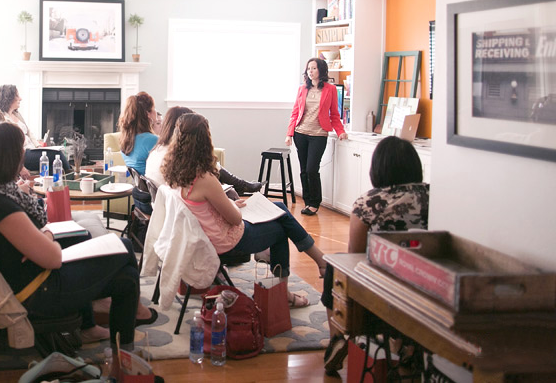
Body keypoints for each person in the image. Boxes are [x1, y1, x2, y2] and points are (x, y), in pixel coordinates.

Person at [0, 121, 154, 347]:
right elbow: (53, 258)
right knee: (124, 248)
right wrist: (47, 235)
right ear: (6, 157)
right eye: (20, 149)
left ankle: (118, 348)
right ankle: (125, 347)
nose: (24, 154)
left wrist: (43, 236)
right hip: (39, 292)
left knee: (127, 277)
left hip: (36, 277)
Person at [162, 113, 327, 306]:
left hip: (202, 238)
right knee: (281, 228)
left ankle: (314, 262)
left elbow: (205, 208)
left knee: (279, 207)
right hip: (225, 242)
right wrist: (232, 204)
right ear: (204, 142)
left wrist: (228, 202)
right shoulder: (205, 179)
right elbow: (235, 220)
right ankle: (287, 288)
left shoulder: (173, 174)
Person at [320, 136, 429, 374]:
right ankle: (406, 346)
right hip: (426, 287)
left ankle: (337, 337)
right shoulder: (432, 197)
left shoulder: (369, 203)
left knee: (335, 265)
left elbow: (354, 256)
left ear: (378, 168)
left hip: (382, 292)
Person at [147, 106, 261, 194]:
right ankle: (241, 185)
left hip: (162, 202)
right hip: (176, 204)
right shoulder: (177, 157)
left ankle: (240, 185)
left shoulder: (157, 151)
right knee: (230, 192)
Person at [285, 57, 348, 216]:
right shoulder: (302, 89)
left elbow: (334, 114)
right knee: (304, 170)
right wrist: (289, 134)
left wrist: (340, 131)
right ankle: (308, 202)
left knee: (312, 169)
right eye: (308, 69)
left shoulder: (330, 89)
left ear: (321, 70)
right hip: (300, 133)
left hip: (319, 134)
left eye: (313, 68)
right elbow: (295, 113)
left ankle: (315, 203)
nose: (310, 71)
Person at [0, 84, 71, 174]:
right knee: (57, 154)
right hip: (22, 154)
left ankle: (53, 182)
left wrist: (38, 146)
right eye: (17, 95)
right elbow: (7, 145)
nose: (20, 98)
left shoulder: (17, 114)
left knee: (52, 164)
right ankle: (73, 175)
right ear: (9, 97)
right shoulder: (1, 118)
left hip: (32, 150)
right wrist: (20, 166)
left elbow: (29, 132)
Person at [118, 91, 158, 175]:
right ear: (148, 114)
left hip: (138, 182)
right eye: (154, 108)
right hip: (152, 182)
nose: (156, 112)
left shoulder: (125, 139)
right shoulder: (153, 140)